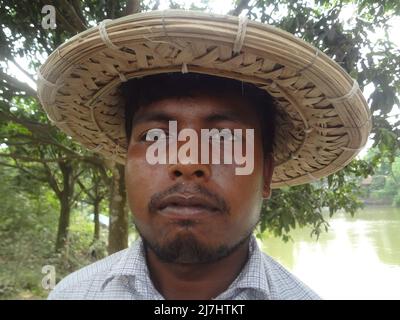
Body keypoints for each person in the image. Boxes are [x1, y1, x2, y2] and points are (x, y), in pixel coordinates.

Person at [37, 10, 371, 300]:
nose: (188, 163)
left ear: (265, 174)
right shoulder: (71, 292)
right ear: (126, 162)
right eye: (156, 137)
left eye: (224, 138)